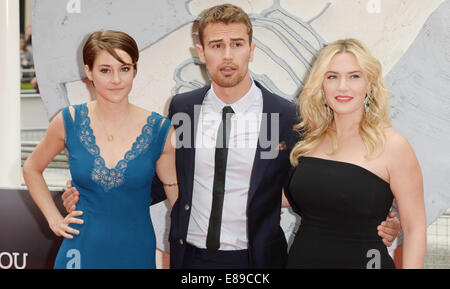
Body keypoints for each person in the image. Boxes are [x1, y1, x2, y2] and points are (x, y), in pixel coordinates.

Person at [61, 5, 401, 269]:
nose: (227, 55)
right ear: (200, 51)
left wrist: (377, 221)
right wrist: (95, 190)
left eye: (237, 44)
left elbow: (312, 186)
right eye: (216, 45)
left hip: (257, 259)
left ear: (251, 50)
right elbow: (158, 180)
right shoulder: (182, 108)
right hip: (190, 258)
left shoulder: (286, 115)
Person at [23, 30, 178, 269]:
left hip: (135, 251)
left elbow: (173, 188)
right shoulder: (68, 121)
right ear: (89, 72)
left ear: (135, 70)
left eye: (124, 69)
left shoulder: (160, 130)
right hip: (80, 250)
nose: (116, 80)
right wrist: (54, 219)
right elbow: (32, 168)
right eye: (105, 70)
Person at [285, 38, 426, 269]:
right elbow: (280, 194)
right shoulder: (308, 141)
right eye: (332, 76)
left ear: (369, 84)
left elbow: (414, 229)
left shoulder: (393, 146)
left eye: (354, 76)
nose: (342, 87)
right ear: (322, 85)